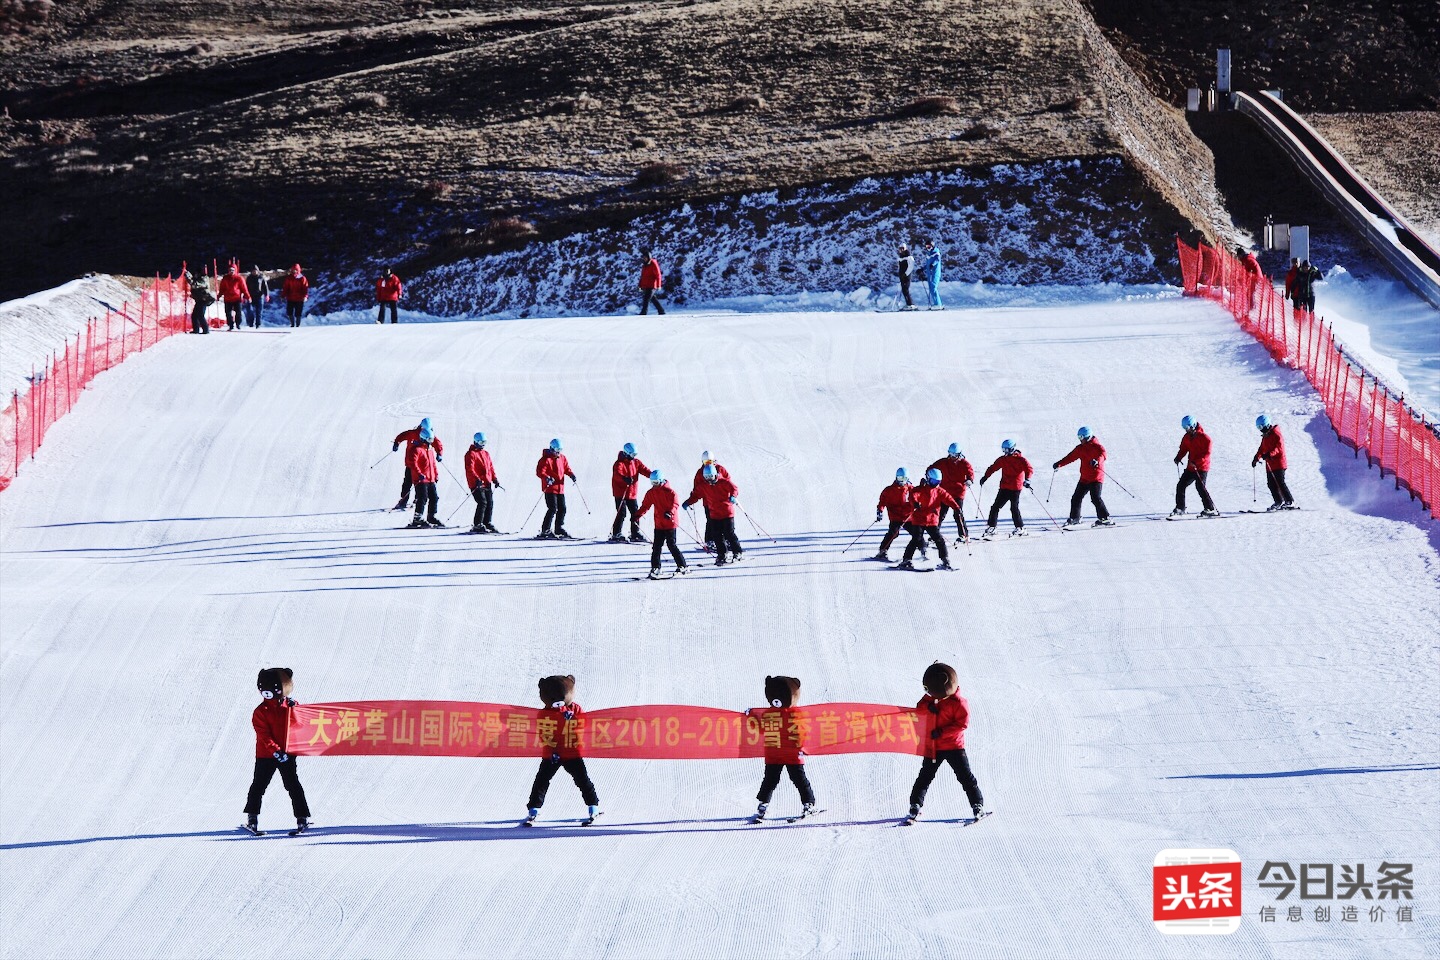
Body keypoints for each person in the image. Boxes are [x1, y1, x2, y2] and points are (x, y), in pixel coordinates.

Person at [906, 662, 986, 824]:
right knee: (925, 777)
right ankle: (915, 805)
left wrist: (941, 732)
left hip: (954, 747)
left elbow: (962, 724)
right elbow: (918, 710)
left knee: (965, 777)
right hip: (934, 747)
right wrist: (928, 708)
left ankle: (977, 805)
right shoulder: (930, 699)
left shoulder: (959, 703)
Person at [524, 675, 601, 826]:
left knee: (582, 780)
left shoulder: (575, 709)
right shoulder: (544, 713)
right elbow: (543, 733)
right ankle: (533, 809)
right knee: (541, 781)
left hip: (572, 752)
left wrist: (572, 718)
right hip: (552, 753)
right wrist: (552, 750)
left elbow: (584, 724)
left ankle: (593, 806)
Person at [243, 667, 311, 835]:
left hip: (287, 753)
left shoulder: (289, 706)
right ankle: (252, 818)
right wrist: (275, 751)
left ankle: (302, 818)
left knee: (292, 785)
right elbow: (263, 735)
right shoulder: (260, 712)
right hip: (266, 755)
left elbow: (301, 723)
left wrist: (297, 708)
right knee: (259, 785)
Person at [750, 676, 817, 822]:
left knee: (770, 780)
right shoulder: (796, 714)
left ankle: (763, 805)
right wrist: (802, 746)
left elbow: (762, 729)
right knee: (798, 779)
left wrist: (753, 719)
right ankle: (808, 803)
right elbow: (802, 732)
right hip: (791, 754)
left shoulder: (769, 713)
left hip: (774, 753)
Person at [896, 468, 956, 571]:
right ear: (928, 478)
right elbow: (913, 495)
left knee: (939, 540)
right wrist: (915, 503)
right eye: (933, 481)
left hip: (932, 520)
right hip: (919, 519)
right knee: (916, 540)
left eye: (937, 482)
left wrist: (957, 508)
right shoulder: (920, 489)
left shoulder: (939, 490)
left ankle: (945, 560)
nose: (935, 484)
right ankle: (906, 560)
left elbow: (948, 498)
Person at [1053, 426, 1113, 528]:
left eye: (1082, 437)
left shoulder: (1098, 447)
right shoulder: (1080, 448)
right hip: (1084, 478)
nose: (1080, 440)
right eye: (1079, 437)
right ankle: (1075, 518)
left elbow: (1103, 455)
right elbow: (1070, 457)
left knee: (1095, 498)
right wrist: (1059, 463)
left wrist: (1097, 461)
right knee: (1076, 498)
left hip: (1096, 477)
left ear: (1088, 436)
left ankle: (1105, 518)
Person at [684, 464, 743, 565]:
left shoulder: (724, 482)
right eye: (706, 477)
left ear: (715, 474)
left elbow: (734, 488)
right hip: (714, 514)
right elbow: (696, 495)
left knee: (729, 533)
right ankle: (722, 554)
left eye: (711, 476)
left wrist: (733, 496)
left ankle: (737, 552)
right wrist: (688, 502)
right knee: (717, 536)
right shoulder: (704, 486)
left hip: (727, 512)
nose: (709, 479)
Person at [637, 470, 689, 578]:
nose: (654, 485)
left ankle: (683, 566)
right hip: (659, 524)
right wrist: (637, 515)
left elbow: (675, 504)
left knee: (671, 545)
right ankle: (656, 568)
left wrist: (670, 513)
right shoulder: (651, 493)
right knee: (656, 547)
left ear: (661, 481)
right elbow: (645, 506)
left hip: (670, 523)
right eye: (652, 483)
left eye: (656, 482)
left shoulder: (670, 492)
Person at [980, 439, 1034, 538]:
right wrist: (985, 477)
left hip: (1015, 488)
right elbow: (993, 467)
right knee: (995, 507)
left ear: (1012, 449)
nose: (1005, 452)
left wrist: (1027, 480)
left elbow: (1029, 469)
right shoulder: (1003, 459)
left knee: (1014, 508)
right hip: (1004, 487)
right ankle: (992, 527)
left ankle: (1020, 528)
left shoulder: (1021, 460)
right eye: (1004, 450)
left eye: (1007, 450)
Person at [926, 443, 975, 543]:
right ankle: (934, 534)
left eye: (955, 455)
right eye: (951, 454)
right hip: (945, 492)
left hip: (958, 492)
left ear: (959, 454)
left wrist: (970, 480)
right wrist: (929, 477)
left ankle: (964, 535)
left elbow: (970, 473)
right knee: (940, 514)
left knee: (958, 513)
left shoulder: (964, 463)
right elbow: (931, 468)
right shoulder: (943, 462)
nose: (952, 457)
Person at [1171, 415, 1218, 517]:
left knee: (1200, 487)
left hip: (1202, 467)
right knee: (1181, 485)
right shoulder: (1187, 437)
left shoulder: (1205, 438)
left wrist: (1196, 462)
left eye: (1187, 428)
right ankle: (1180, 508)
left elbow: (1207, 454)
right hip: (1191, 467)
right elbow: (1183, 449)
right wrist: (1178, 457)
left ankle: (1210, 508)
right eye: (1184, 429)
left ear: (1192, 425)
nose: (1186, 430)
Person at [391, 418, 441, 511]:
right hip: (411, 464)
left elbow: (437, 443)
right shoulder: (412, 433)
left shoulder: (429, 435)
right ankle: (403, 500)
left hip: (424, 467)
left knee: (421, 484)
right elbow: (402, 436)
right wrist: (396, 443)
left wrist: (439, 453)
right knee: (408, 482)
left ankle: (418, 499)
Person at [609, 442, 651, 543]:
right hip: (621, 493)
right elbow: (617, 475)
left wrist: (653, 475)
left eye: (635, 455)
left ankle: (635, 533)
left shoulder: (636, 463)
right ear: (627, 453)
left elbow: (644, 470)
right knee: (621, 513)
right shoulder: (619, 463)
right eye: (632, 455)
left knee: (636, 513)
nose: (634, 457)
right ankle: (616, 534)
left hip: (632, 493)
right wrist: (624, 478)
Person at [536, 439, 577, 538]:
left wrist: (571, 474)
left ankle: (558, 528)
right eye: (556, 449)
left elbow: (566, 468)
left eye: (560, 449)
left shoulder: (562, 458)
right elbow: (540, 472)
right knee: (552, 508)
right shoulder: (546, 459)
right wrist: (547, 478)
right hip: (550, 488)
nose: (558, 452)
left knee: (562, 508)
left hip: (560, 488)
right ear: (551, 448)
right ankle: (545, 530)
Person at [1252, 415, 1295, 510]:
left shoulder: (1276, 434)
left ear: (1266, 425)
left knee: (1280, 482)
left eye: (1260, 427)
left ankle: (1290, 501)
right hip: (1270, 464)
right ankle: (1278, 501)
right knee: (1271, 484)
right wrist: (1256, 458)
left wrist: (1269, 454)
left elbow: (1279, 448)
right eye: (1258, 428)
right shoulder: (1265, 436)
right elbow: (1261, 448)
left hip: (1279, 463)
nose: (1260, 430)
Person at [874, 468, 916, 561]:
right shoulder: (889, 490)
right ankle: (882, 551)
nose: (901, 481)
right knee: (893, 533)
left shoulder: (911, 489)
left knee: (916, 533)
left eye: (904, 479)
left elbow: (919, 497)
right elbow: (882, 501)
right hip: (896, 517)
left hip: (908, 517)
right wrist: (880, 511)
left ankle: (923, 549)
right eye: (900, 478)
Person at [406, 424, 443, 527]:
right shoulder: (417, 450)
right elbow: (413, 463)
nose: (431, 442)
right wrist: (419, 474)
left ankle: (431, 516)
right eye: (429, 439)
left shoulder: (429, 450)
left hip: (430, 479)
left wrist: (435, 475)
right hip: (421, 479)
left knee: (434, 497)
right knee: (422, 498)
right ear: (423, 438)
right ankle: (417, 519)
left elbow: (433, 465)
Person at [464, 432, 501, 533]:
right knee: (482, 502)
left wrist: (494, 479)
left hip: (487, 482)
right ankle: (477, 524)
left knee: (489, 503)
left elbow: (490, 467)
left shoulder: (486, 453)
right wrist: (477, 479)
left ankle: (487, 522)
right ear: (475, 441)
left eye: (484, 442)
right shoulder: (470, 454)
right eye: (481, 442)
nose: (482, 444)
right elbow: (470, 469)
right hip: (476, 483)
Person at [692, 451, 730, 549]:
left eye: (709, 461)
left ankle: (726, 540)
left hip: (722, 500)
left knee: (725, 521)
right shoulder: (700, 472)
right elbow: (697, 487)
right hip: (708, 501)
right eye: (705, 462)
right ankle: (710, 541)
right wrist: (693, 496)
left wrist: (730, 494)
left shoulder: (720, 469)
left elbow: (728, 481)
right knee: (711, 521)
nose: (708, 464)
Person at [218, 264, 250, 331]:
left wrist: (248, 296)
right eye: (230, 270)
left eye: (232, 270)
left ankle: (238, 324)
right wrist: (219, 296)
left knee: (238, 312)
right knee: (228, 312)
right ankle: (230, 325)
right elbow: (222, 288)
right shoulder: (225, 278)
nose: (231, 271)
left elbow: (244, 288)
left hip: (237, 298)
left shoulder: (239, 278)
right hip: (228, 298)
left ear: (235, 270)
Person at [916, 239, 942, 309]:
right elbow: (927, 265)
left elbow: (937, 260)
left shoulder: (936, 252)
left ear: (933, 246)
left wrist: (933, 265)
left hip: (935, 273)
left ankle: (938, 304)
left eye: (929, 246)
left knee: (933, 288)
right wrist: (922, 269)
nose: (928, 248)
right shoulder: (928, 254)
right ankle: (936, 304)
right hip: (929, 274)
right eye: (926, 246)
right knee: (931, 289)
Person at [638, 251, 666, 316]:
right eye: (643, 258)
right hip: (646, 285)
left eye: (645, 258)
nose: (644, 259)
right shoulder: (645, 265)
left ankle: (643, 312)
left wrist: (659, 285)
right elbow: (643, 276)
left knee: (646, 299)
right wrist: (640, 285)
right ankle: (661, 311)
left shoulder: (653, 263)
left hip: (652, 285)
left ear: (649, 257)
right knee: (653, 299)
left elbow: (658, 275)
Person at [1239, 247, 1262, 314]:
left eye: (1239, 256)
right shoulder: (1247, 259)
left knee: (1250, 293)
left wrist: (1244, 280)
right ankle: (1251, 307)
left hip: (1255, 278)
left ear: (1241, 255)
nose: (1238, 258)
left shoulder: (1247, 260)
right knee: (1250, 293)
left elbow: (1248, 272)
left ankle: (1252, 308)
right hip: (1255, 277)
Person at [896, 245, 915, 309]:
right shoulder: (900, 258)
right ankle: (908, 304)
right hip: (902, 276)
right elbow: (899, 267)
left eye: (903, 248)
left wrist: (906, 274)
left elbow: (911, 267)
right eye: (900, 249)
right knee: (904, 290)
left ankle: (911, 304)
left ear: (905, 248)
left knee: (905, 289)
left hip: (907, 276)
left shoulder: (909, 257)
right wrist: (900, 274)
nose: (901, 250)